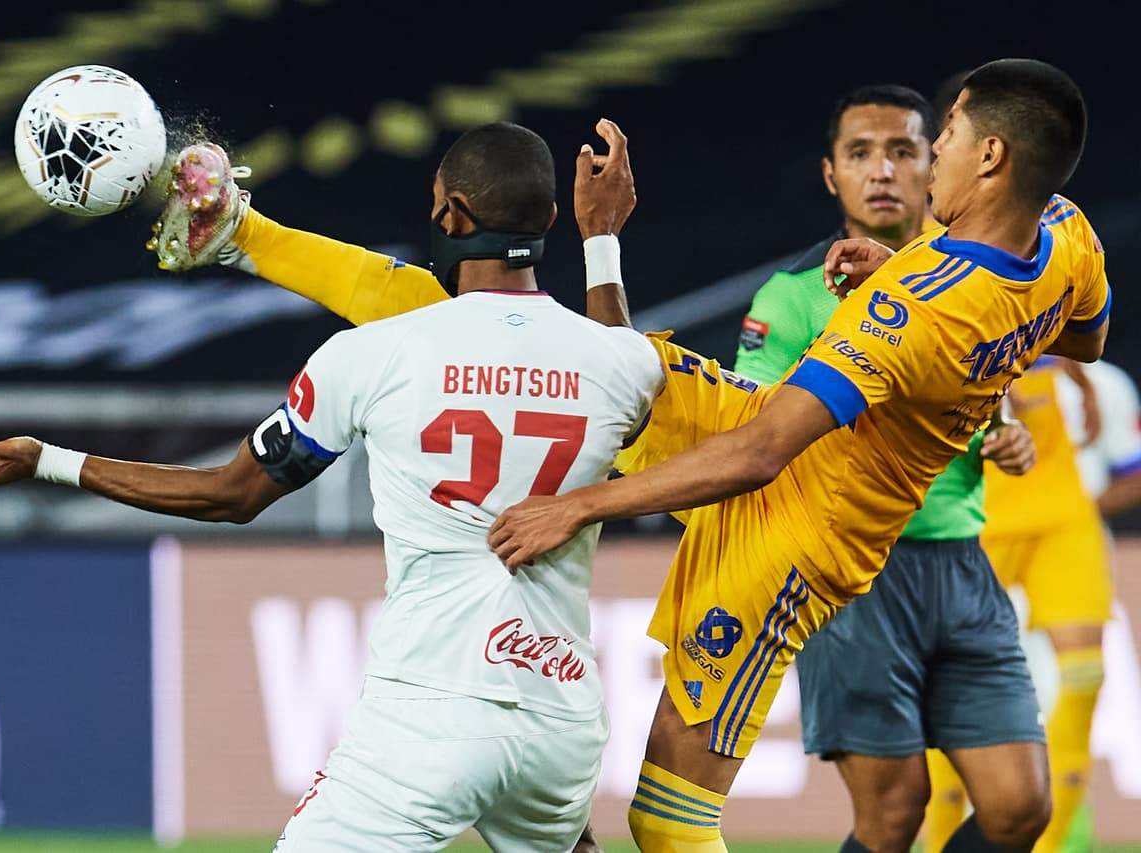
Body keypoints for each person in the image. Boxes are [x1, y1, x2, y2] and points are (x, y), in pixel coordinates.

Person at [0, 122, 667, 853]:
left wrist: (47, 458)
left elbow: (229, 494)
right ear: (551, 220)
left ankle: (246, 231)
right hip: (562, 721)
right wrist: (602, 243)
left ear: (451, 213)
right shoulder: (621, 364)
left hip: (432, 714)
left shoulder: (371, 353)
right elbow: (619, 370)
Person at [486, 58, 1109, 853]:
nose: (918, 165)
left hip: (807, 536)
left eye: (940, 136)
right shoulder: (1063, 230)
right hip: (825, 515)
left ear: (988, 157)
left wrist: (575, 504)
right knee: (885, 813)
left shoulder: (912, 309)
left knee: (674, 822)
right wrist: (932, 289)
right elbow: (1083, 335)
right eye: (864, 153)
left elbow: (759, 449)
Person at [733, 83, 1048, 853]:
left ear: (936, 163)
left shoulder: (975, 284)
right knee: (894, 812)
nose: (882, 171)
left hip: (964, 566)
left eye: (903, 150)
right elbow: (750, 430)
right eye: (860, 153)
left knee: (1020, 807)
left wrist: (1004, 436)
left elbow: (967, 400)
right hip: (855, 577)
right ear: (830, 175)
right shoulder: (794, 296)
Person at [926, 357, 1141, 853]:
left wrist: (1081, 380)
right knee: (950, 681)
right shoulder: (957, 357)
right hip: (980, 525)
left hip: (1064, 527)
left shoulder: (1098, 377)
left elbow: (1129, 470)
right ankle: (941, 839)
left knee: (1080, 680)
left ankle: (1055, 843)